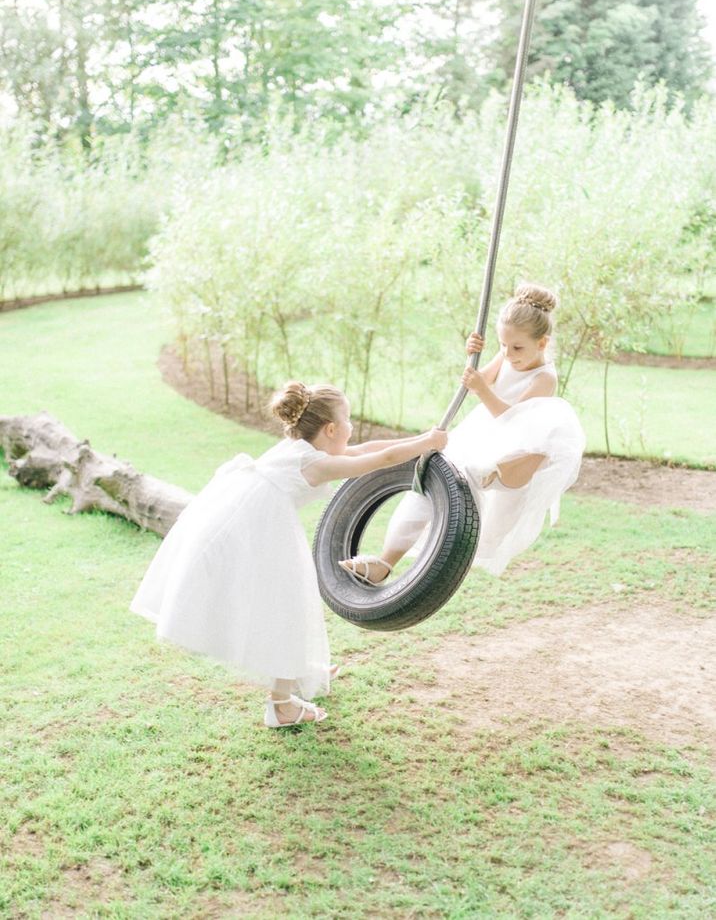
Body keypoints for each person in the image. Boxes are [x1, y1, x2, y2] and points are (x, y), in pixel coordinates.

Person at [130, 381, 446, 728]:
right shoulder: (315, 465)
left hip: (247, 520)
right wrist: (427, 444)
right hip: (254, 529)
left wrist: (420, 439)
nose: (352, 428)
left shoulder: (301, 448)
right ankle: (281, 704)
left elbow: (368, 448)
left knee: (285, 603)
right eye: (349, 420)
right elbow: (378, 460)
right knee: (286, 606)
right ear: (331, 429)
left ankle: (297, 674)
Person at [339, 283, 585, 585]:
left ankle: (441, 561)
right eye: (502, 345)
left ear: (543, 342)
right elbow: (483, 379)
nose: (507, 354)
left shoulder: (544, 377)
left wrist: (481, 388)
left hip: (511, 448)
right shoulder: (508, 355)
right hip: (479, 432)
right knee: (429, 476)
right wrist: (472, 356)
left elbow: (511, 420)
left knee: (473, 495)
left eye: (517, 347)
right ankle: (385, 562)